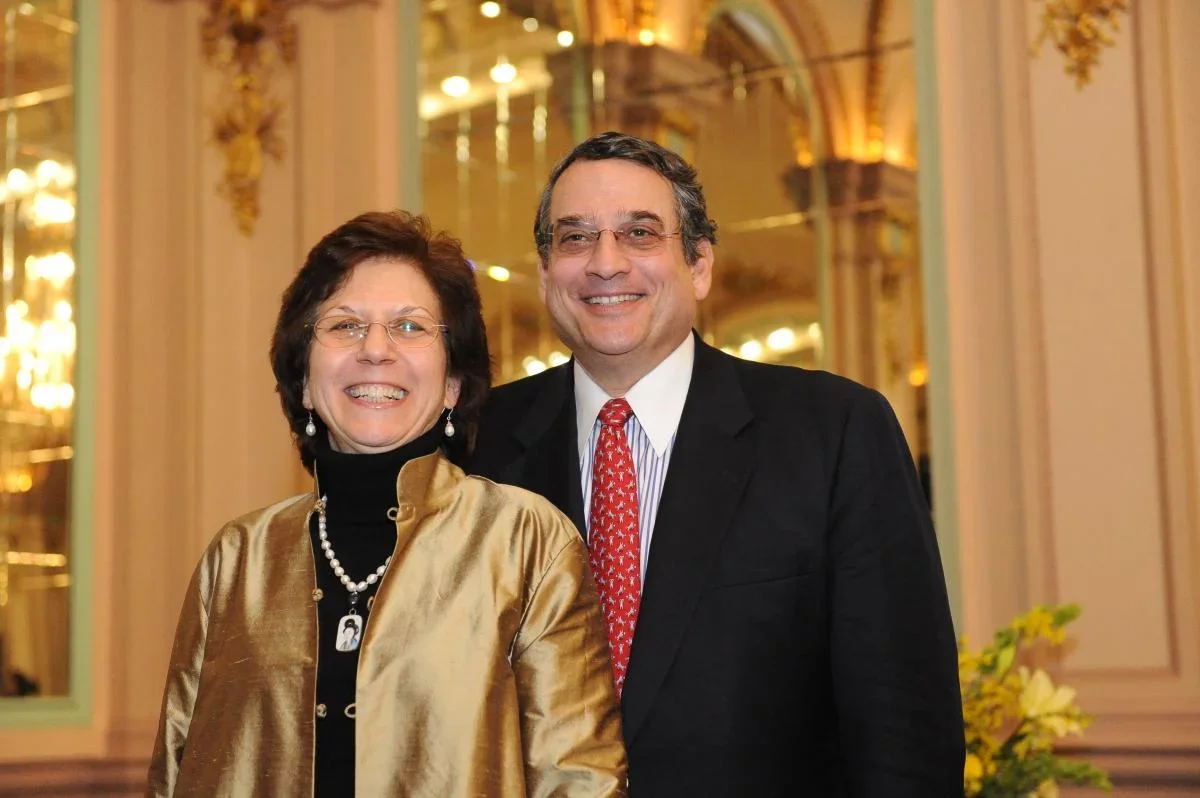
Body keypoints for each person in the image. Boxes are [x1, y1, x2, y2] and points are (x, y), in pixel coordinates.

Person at [468, 132, 965, 796]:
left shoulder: (833, 432)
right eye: (575, 238)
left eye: (640, 234)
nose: (605, 263)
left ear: (700, 264)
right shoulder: (478, 446)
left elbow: (906, 730)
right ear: (545, 273)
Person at [146, 211, 627, 797]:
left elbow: (580, 782)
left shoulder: (528, 543)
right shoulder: (237, 559)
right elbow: (174, 776)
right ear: (302, 380)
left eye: (409, 326)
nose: (375, 350)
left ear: (453, 383)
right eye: (344, 325)